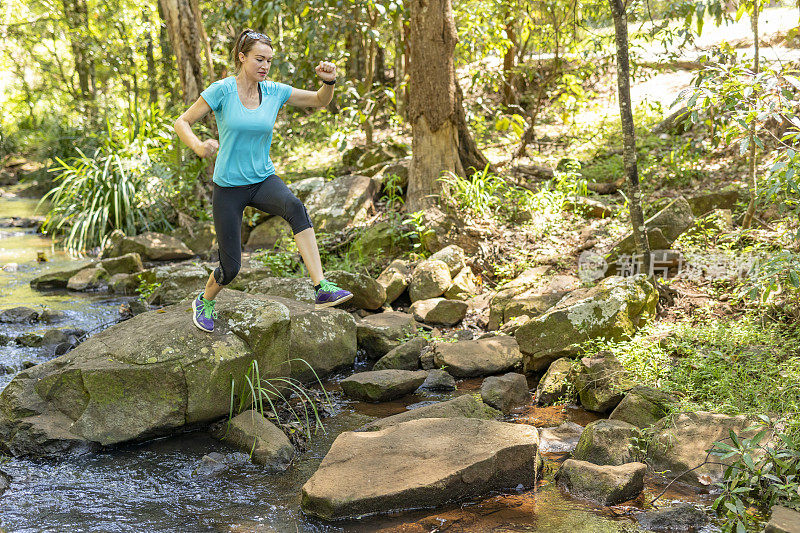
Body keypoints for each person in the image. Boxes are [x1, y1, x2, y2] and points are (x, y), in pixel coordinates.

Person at [174, 28, 353, 332]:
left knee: (295, 206)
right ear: (241, 57)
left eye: (269, 60)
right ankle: (204, 300)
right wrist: (198, 146)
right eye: (259, 58)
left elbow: (320, 101)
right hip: (228, 188)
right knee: (231, 268)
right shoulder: (222, 90)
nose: (265, 66)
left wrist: (329, 81)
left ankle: (321, 286)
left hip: (262, 179)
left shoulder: (274, 91)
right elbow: (182, 121)